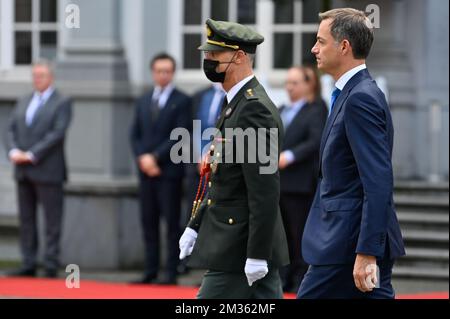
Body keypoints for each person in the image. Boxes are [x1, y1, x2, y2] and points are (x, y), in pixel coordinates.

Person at [297, 8, 405, 299]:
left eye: (320, 41)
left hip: (347, 245)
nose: (314, 48)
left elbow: (377, 180)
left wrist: (367, 251)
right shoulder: (353, 93)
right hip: (344, 241)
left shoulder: (360, 98)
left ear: (344, 46)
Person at [178, 18, 289, 299]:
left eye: (215, 55)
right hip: (231, 243)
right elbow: (223, 177)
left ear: (239, 57)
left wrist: (258, 254)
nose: (208, 60)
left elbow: (264, 189)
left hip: (240, 246)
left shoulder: (253, 109)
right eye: (207, 54)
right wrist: (194, 224)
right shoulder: (235, 103)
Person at [5, 59, 72, 278]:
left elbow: (57, 133)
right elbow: (10, 129)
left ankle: (51, 263)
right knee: (26, 220)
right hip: (23, 171)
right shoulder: (23, 100)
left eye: (42, 75)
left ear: (50, 77)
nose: (37, 79)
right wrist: (14, 151)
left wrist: (32, 154)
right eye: (35, 75)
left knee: (51, 221)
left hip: (48, 170)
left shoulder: (61, 102)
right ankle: (28, 262)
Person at [130, 53, 191, 285]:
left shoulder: (182, 100)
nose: (163, 74)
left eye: (167, 71)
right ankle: (150, 270)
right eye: (159, 70)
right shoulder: (143, 100)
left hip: (169, 173)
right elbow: (134, 134)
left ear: (173, 73)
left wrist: (155, 157)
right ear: (152, 72)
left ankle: (171, 272)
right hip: (146, 173)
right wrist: (142, 158)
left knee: (172, 223)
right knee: (148, 221)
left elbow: (180, 135)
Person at [278, 65, 328, 292]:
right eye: (288, 82)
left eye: (295, 83)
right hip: (279, 183)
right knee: (283, 235)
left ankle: (301, 277)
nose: (289, 87)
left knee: (299, 234)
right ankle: (284, 276)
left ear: (310, 84)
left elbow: (315, 140)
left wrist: (289, 156)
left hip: (300, 184)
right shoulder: (281, 109)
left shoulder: (317, 108)